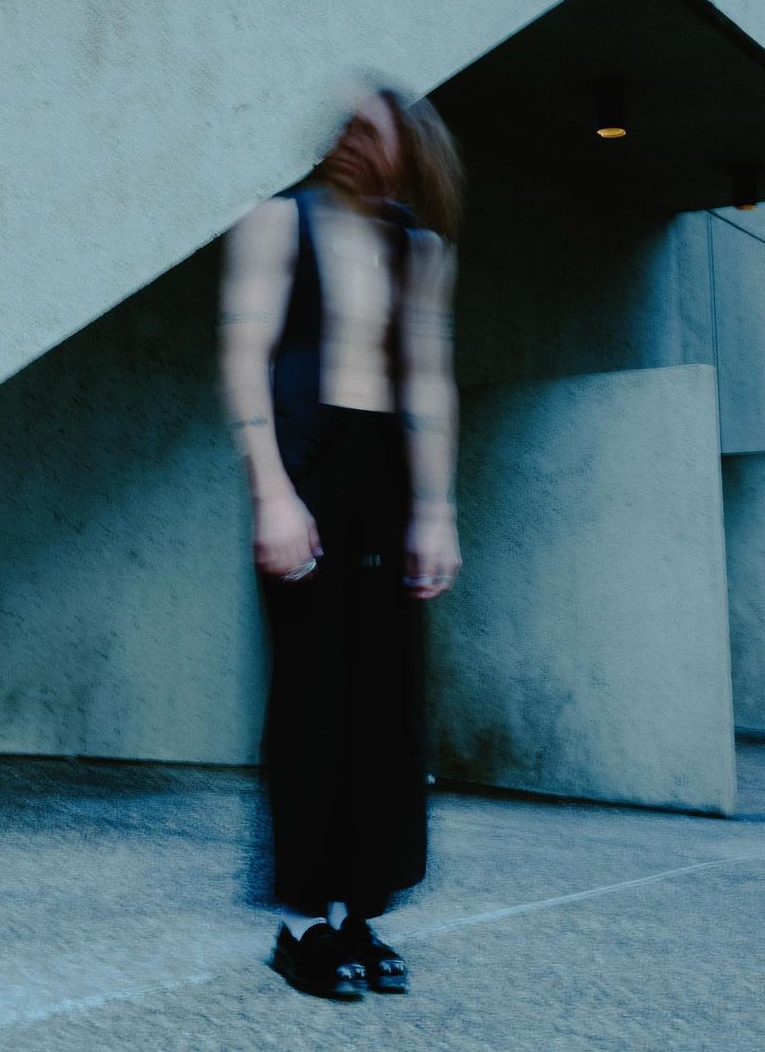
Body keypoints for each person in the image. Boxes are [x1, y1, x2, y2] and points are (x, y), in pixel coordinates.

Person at [218, 82, 465, 999]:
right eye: (346, 127)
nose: (353, 142)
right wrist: (273, 494)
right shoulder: (278, 221)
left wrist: (436, 509)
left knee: (386, 710)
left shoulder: (417, 248)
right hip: (309, 468)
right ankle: (299, 923)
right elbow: (244, 355)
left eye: (373, 129)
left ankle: (359, 912)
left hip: (387, 478)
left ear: (407, 145)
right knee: (313, 696)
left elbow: (429, 380)